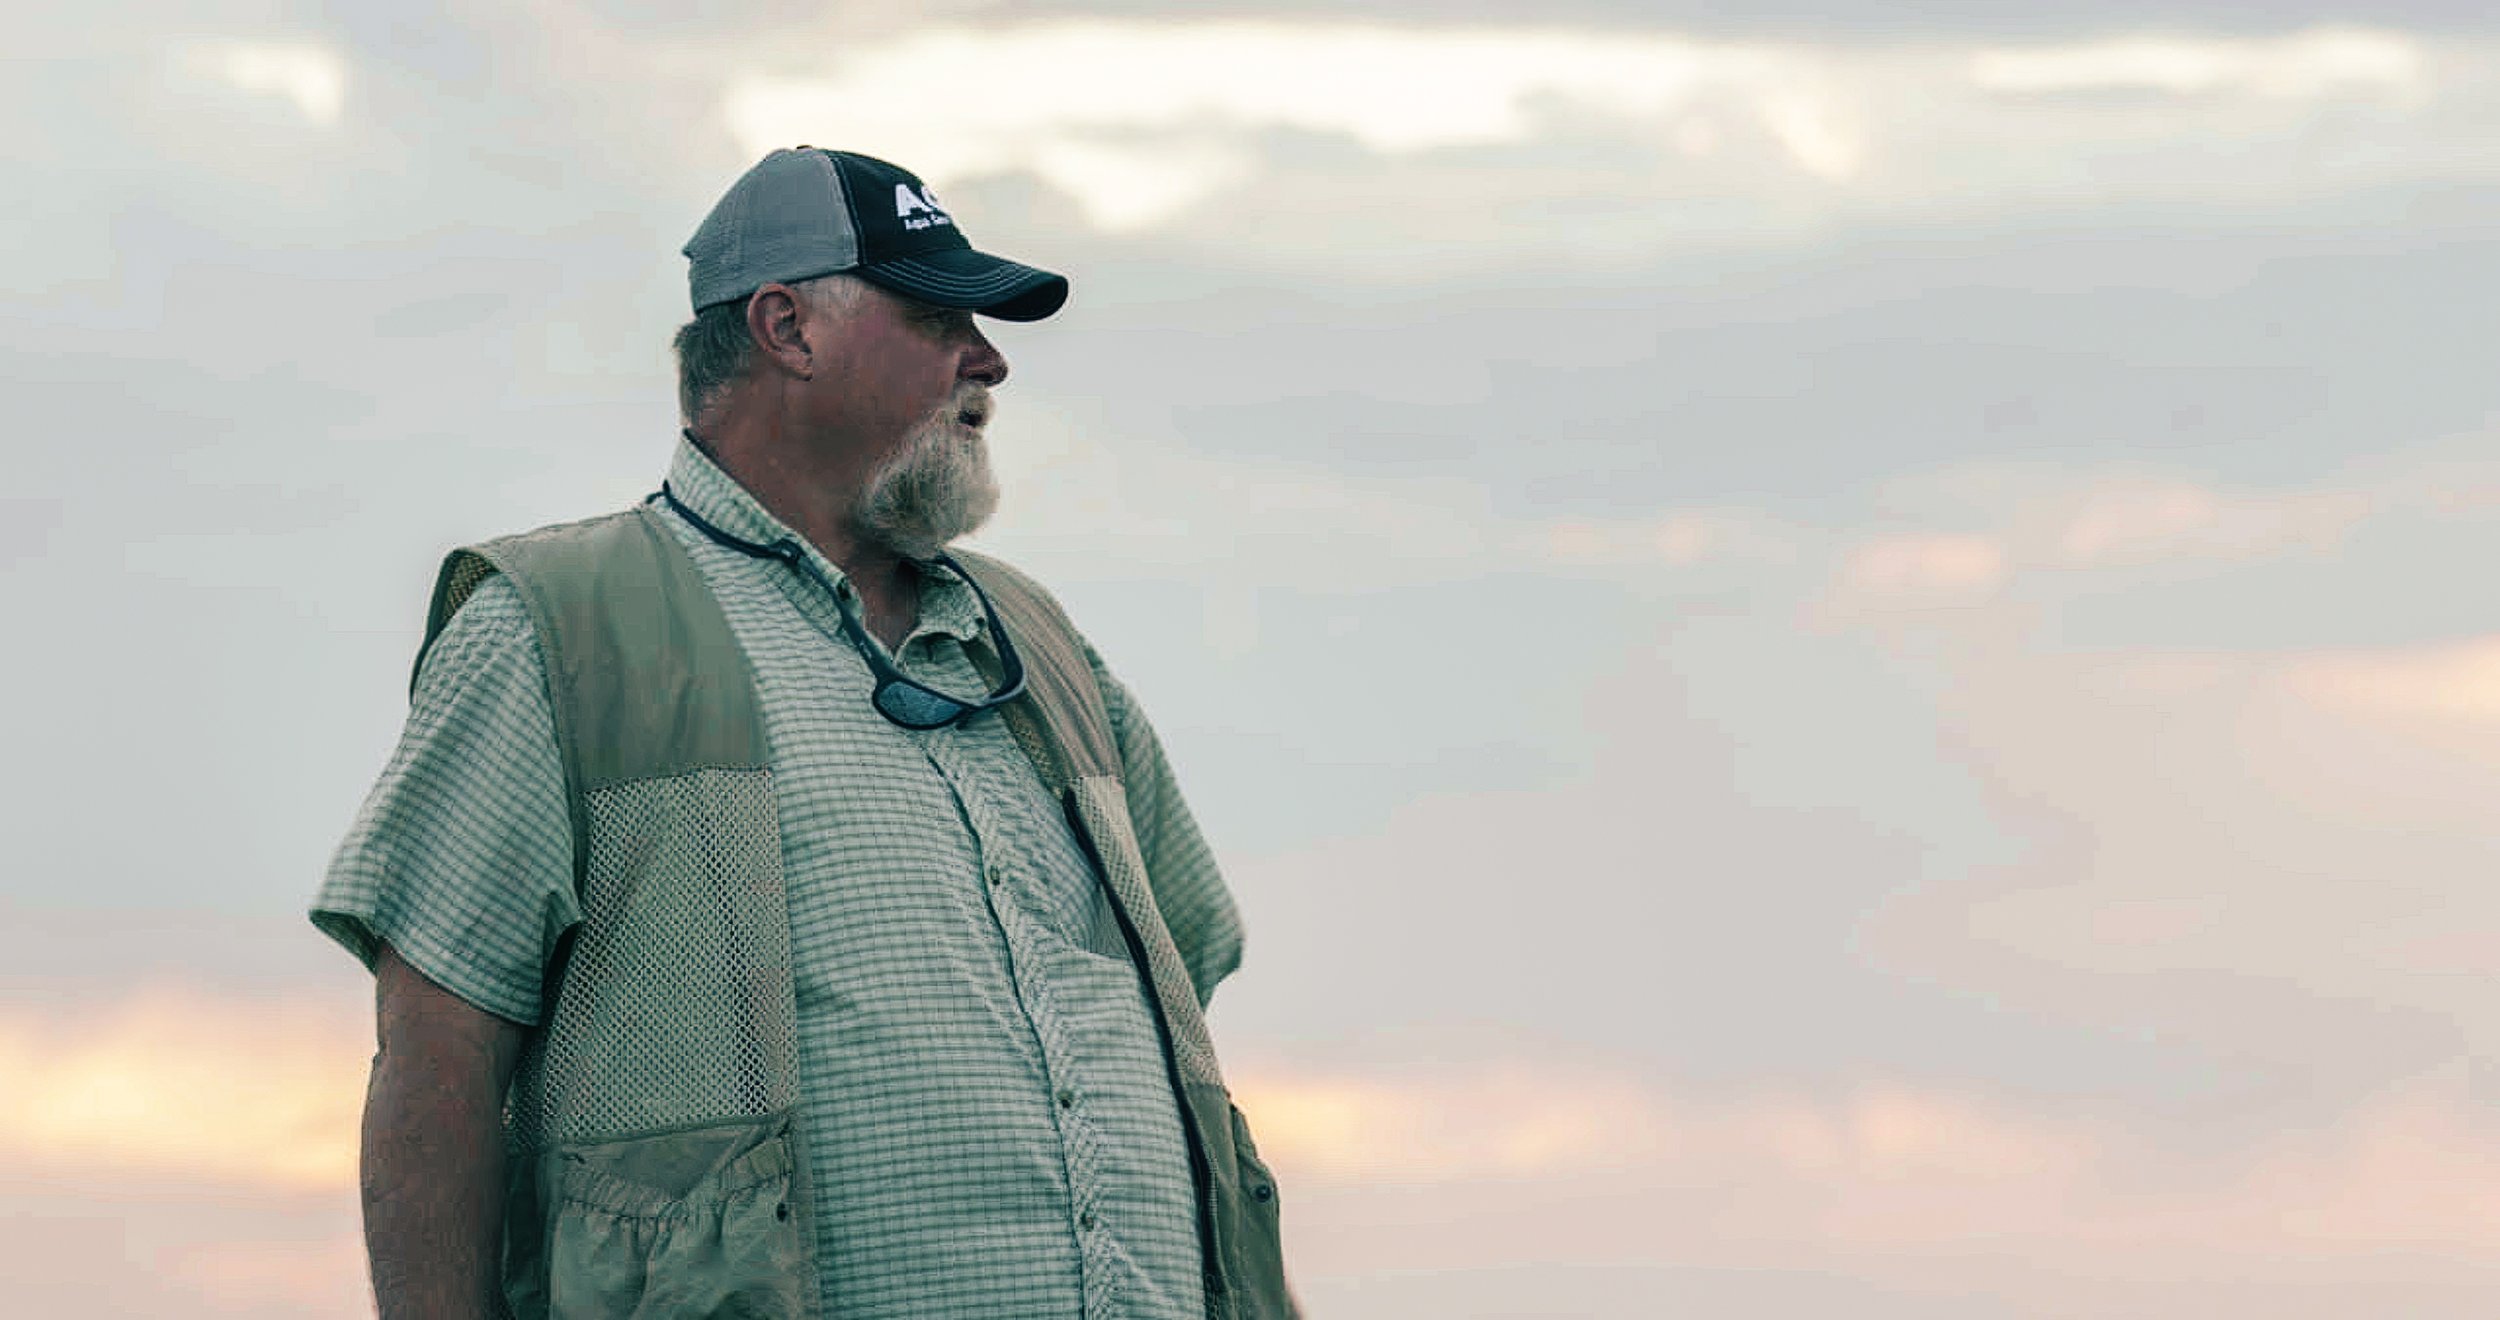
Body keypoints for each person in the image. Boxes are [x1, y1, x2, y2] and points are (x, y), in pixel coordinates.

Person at [312, 147, 1294, 1319]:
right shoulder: (556, 628)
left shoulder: (1041, 645)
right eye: (938, 317)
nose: (988, 359)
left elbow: (1180, 1016)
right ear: (787, 328)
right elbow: (439, 1060)